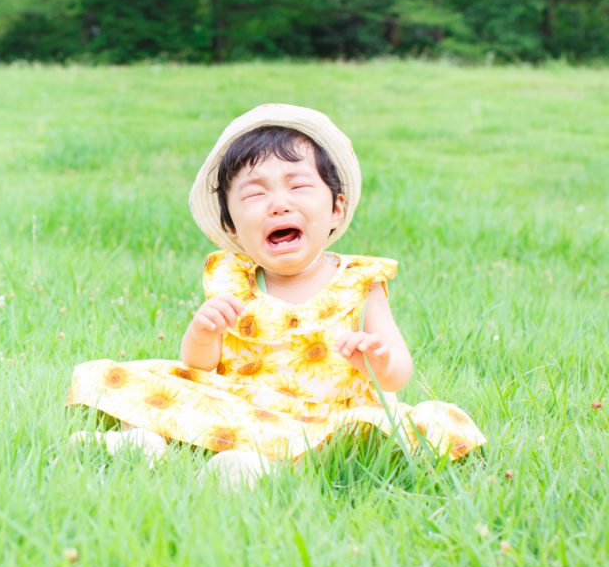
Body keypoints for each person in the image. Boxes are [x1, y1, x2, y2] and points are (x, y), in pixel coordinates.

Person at [66, 104, 486, 486]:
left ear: (336, 208)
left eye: (298, 187)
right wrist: (204, 331)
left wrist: (376, 359)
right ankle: (142, 443)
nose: (278, 205)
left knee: (362, 435)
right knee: (165, 384)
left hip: (326, 414)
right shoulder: (233, 279)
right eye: (254, 194)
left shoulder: (358, 281)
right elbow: (201, 367)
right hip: (242, 402)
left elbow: (399, 373)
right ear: (232, 226)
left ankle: (255, 467)